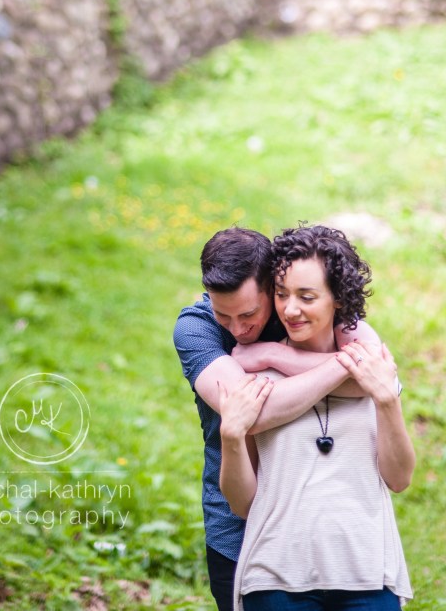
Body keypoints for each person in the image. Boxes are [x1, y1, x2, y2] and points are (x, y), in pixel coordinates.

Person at [173, 226, 382, 611]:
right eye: (225, 316)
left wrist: (274, 356)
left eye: (249, 314)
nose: (238, 330)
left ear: (273, 285)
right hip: (237, 527)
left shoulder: (302, 309)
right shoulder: (195, 328)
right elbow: (251, 413)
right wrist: (346, 367)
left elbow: (381, 376)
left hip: (322, 530)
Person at [219, 224, 415, 611]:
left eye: (306, 297)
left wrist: (387, 401)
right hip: (276, 576)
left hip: (366, 572)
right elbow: (243, 504)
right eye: (281, 295)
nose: (290, 309)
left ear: (338, 300)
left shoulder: (373, 373)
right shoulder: (254, 377)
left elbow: (399, 478)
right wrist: (231, 436)